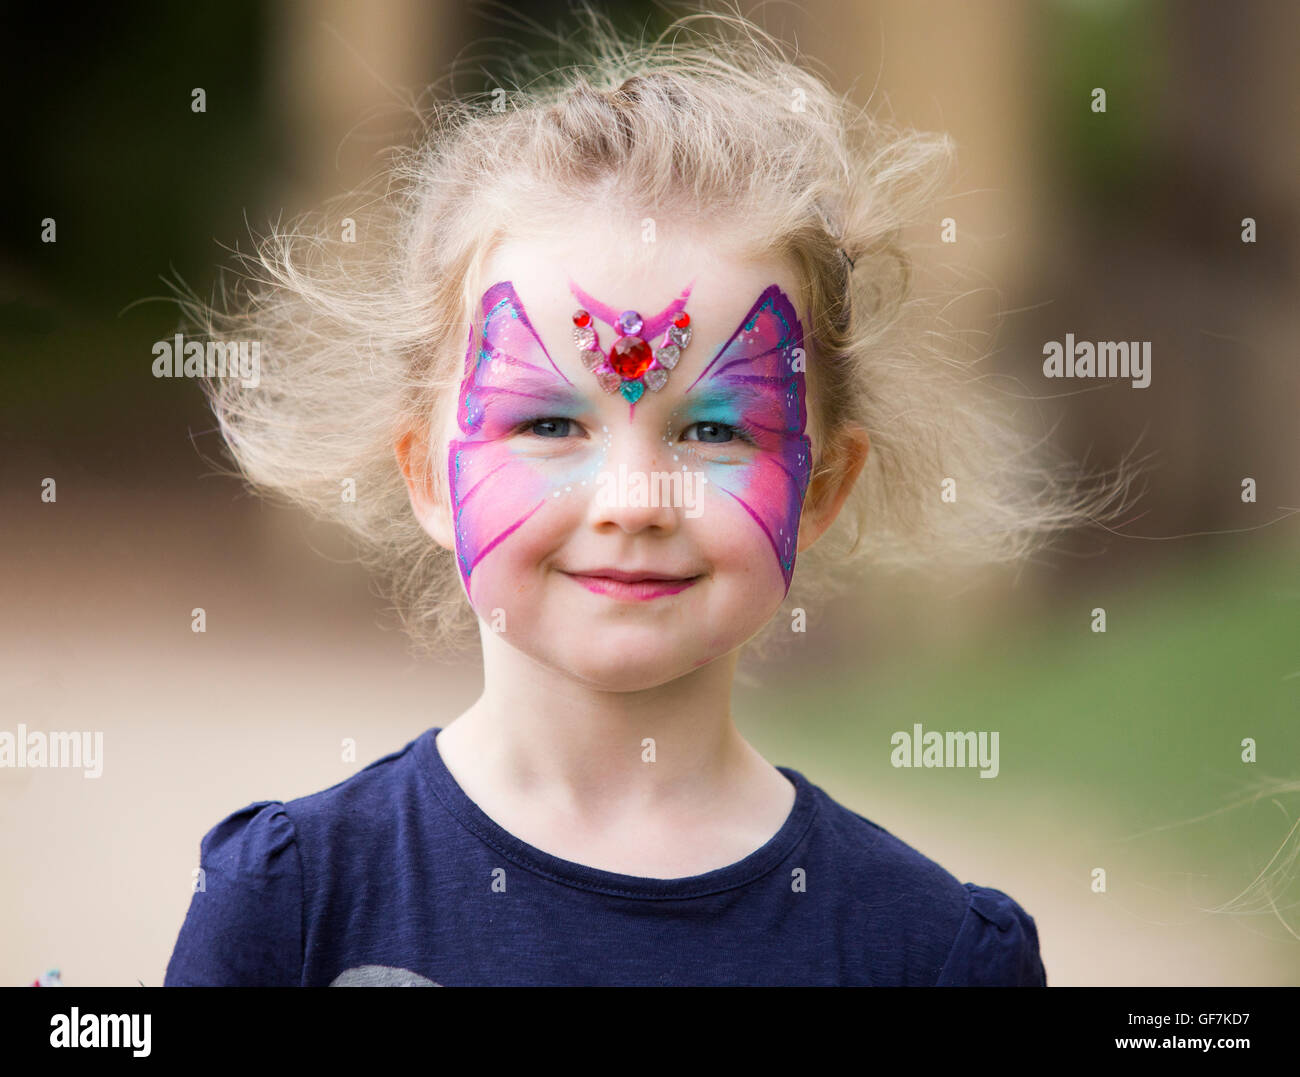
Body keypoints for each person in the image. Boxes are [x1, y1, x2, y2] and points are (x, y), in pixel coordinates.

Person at [164, 8, 1128, 986]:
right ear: (425, 472)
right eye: (548, 425)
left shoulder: (928, 956)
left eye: (711, 430)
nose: (632, 498)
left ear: (822, 484)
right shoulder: (290, 909)